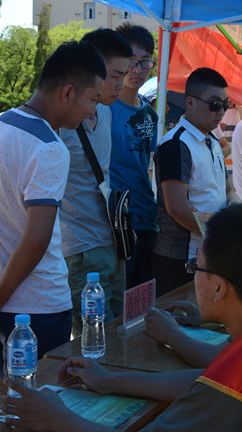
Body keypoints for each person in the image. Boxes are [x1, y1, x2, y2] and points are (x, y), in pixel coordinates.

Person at [1, 205, 242, 432]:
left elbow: (221, 388)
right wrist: (111, 379)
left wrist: (57, 420)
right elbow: (208, 381)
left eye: (197, 267)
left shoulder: (240, 380)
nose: (193, 276)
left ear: (218, 288)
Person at [0, 41, 106, 379]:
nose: (93, 111)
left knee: (9, 398)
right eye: (93, 100)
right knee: (40, 399)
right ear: (67, 93)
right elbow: (36, 240)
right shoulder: (50, 147)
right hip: (36, 308)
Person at [57, 29, 131, 335]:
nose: (121, 84)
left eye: (124, 75)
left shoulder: (107, 112)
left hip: (114, 242)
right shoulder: (58, 119)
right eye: (115, 76)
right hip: (80, 250)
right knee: (94, 340)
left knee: (121, 332)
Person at [153, 68, 232, 296]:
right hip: (180, 257)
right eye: (214, 104)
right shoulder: (175, 144)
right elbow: (177, 209)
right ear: (190, 102)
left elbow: (227, 189)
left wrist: (236, 214)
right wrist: (219, 234)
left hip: (208, 251)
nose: (221, 112)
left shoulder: (213, 141)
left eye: (225, 105)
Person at [110, 23, 159, 289]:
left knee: (141, 300)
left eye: (145, 62)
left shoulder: (150, 114)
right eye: (131, 61)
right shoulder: (103, 108)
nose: (138, 69)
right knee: (117, 298)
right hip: (116, 221)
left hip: (147, 217)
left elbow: (147, 164)